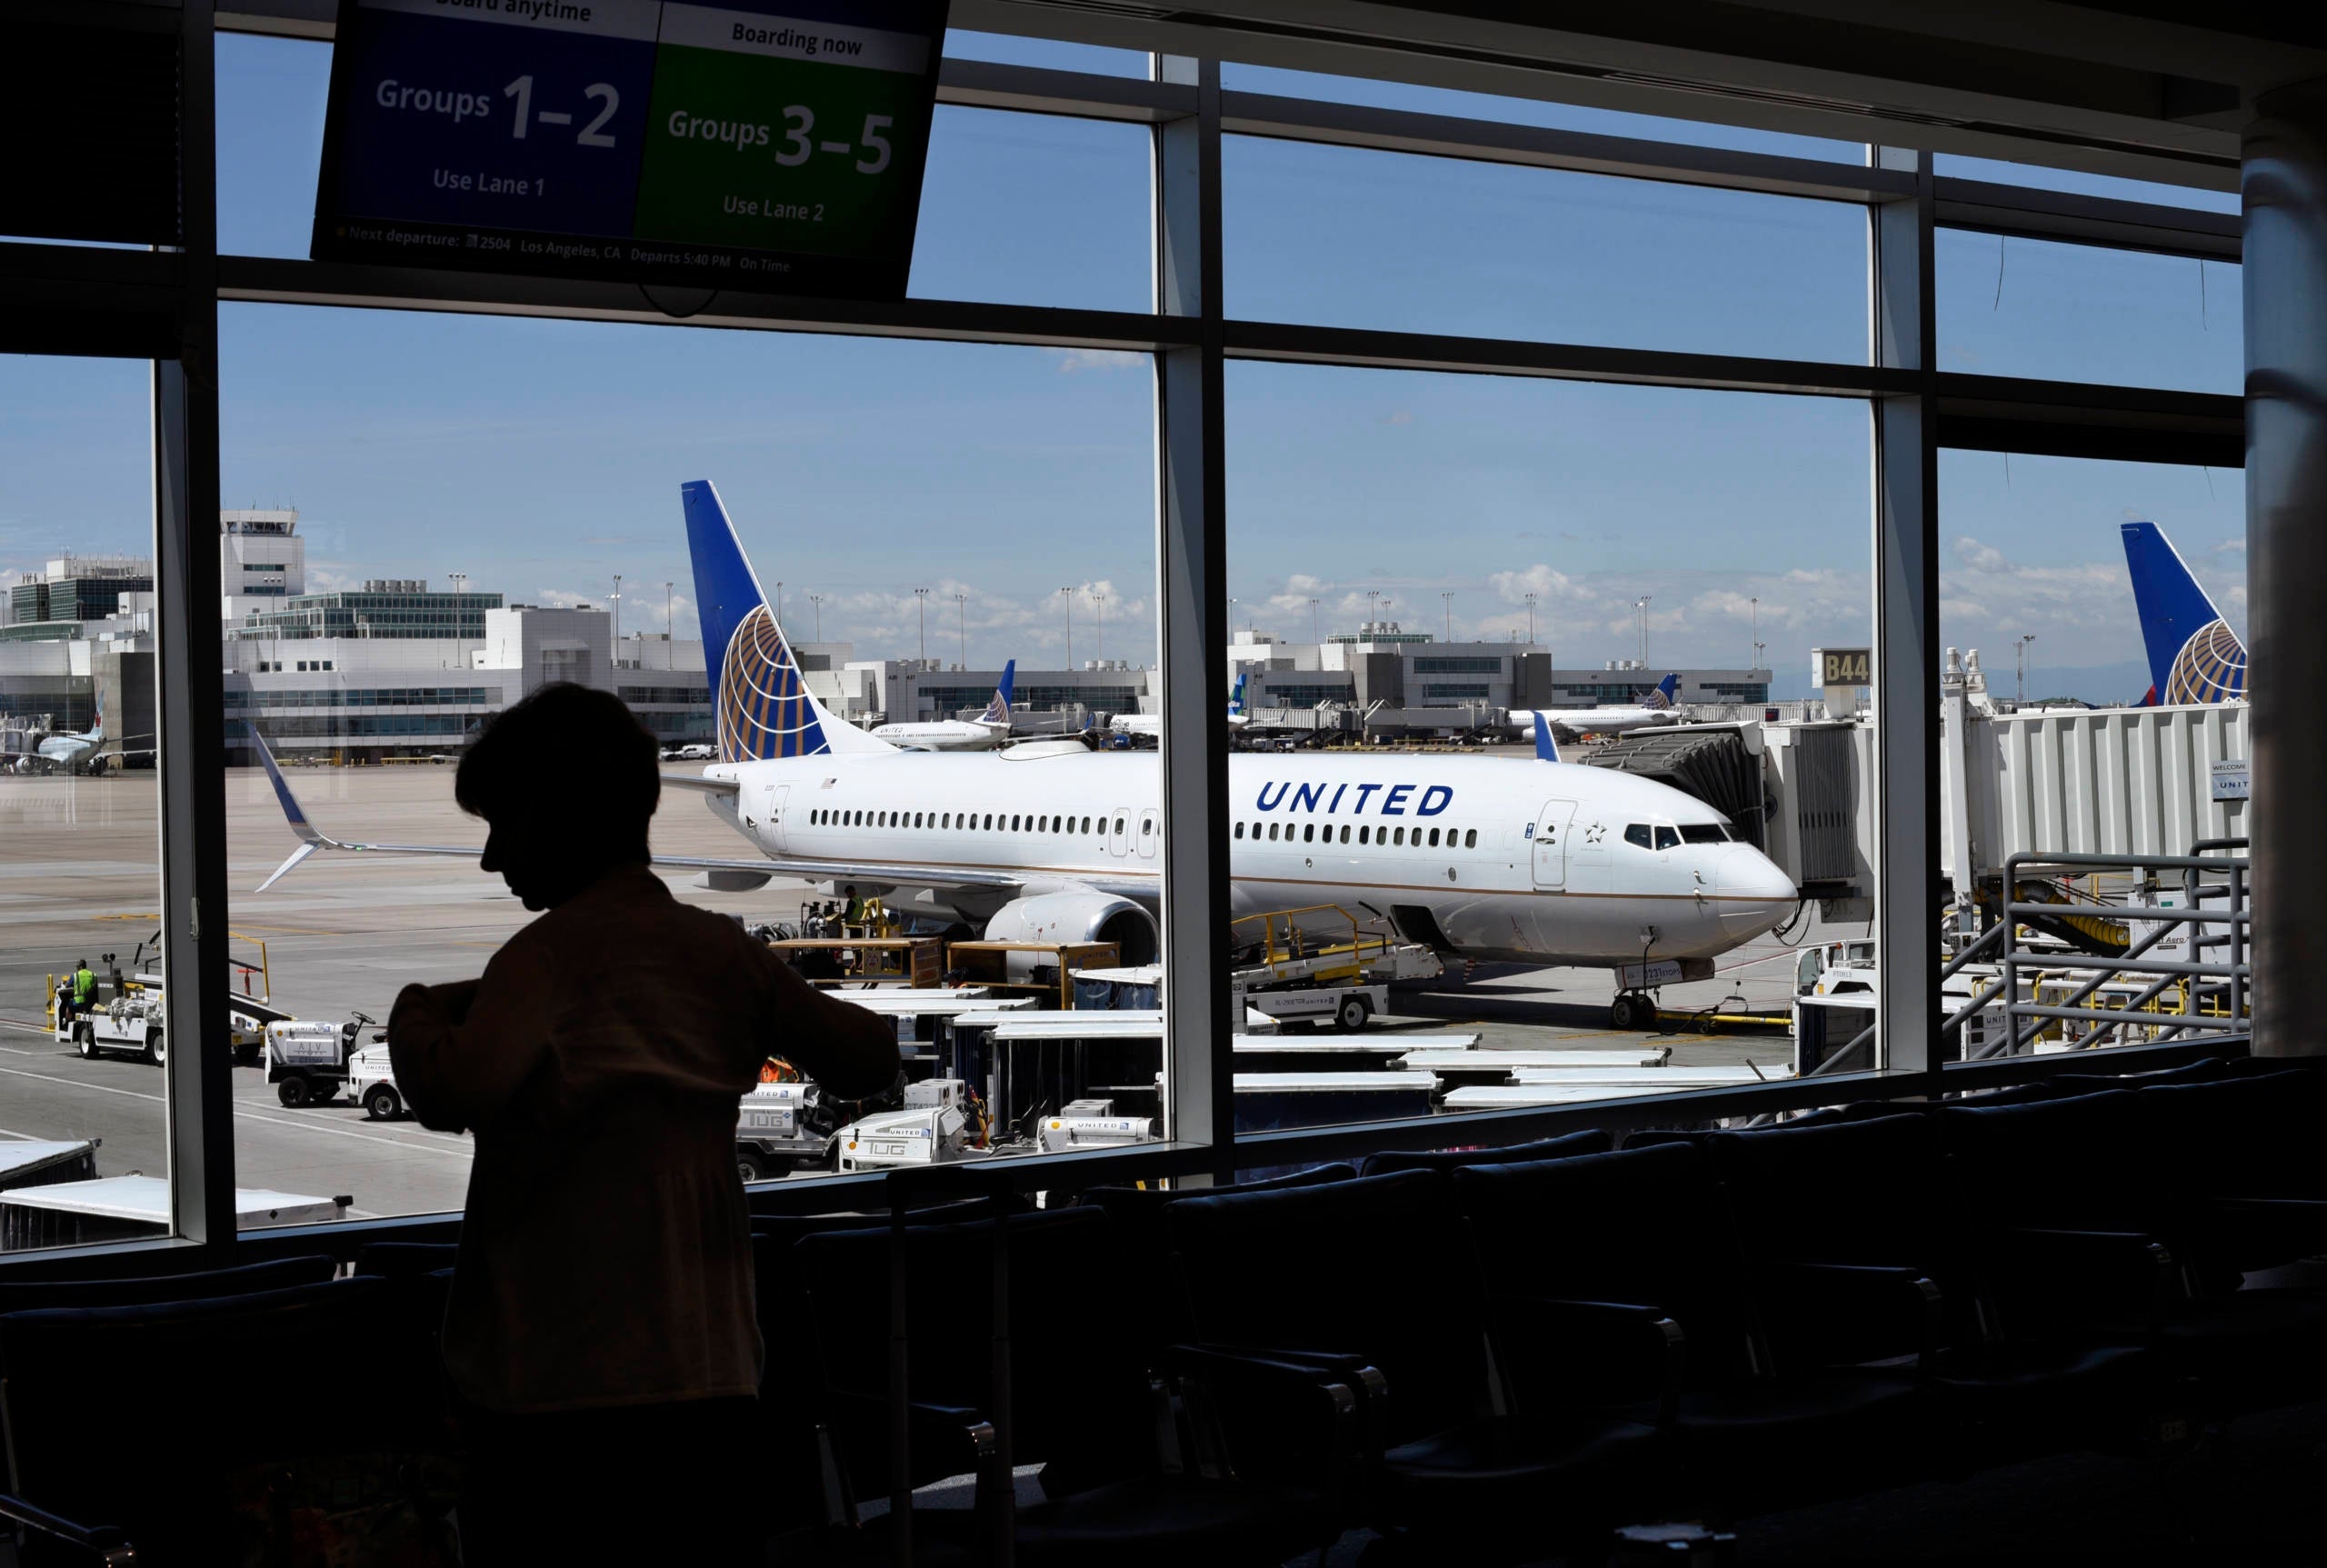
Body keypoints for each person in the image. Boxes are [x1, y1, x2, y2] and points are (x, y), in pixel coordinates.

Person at [385, 684, 898, 1563]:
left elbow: (451, 1092)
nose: (491, 860)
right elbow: (865, 1057)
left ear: (555, 818)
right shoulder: (717, 950)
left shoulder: (545, 956)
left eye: (502, 826)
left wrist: (417, 1012)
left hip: (554, 1380)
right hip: (710, 1367)